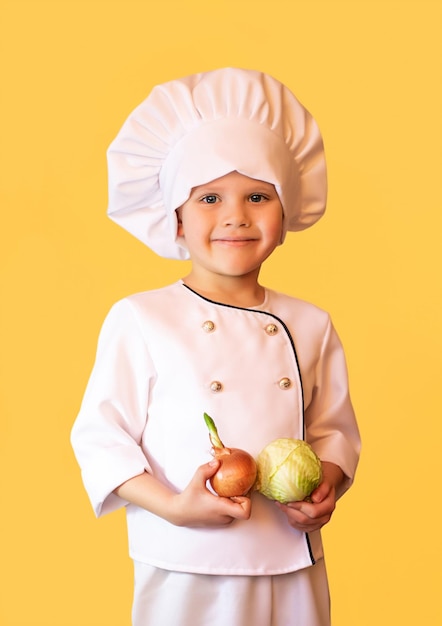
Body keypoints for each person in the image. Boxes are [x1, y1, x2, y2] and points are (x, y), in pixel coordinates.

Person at [71, 67, 361, 626]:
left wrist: (327, 484)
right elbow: (101, 438)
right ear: (174, 217)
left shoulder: (311, 322)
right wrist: (175, 507)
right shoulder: (142, 317)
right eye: (208, 197)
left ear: (286, 214)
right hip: (184, 564)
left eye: (257, 195)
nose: (235, 216)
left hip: (291, 563)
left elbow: (335, 431)